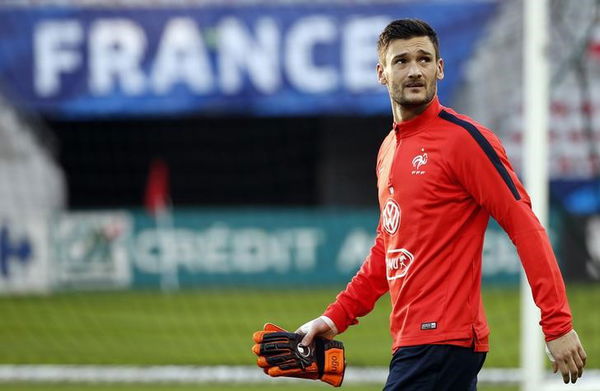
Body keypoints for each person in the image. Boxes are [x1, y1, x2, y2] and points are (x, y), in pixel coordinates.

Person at [296, 18, 587, 390]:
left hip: (443, 341)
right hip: (415, 342)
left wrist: (557, 325)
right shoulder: (388, 150)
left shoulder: (464, 140)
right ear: (381, 73)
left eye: (424, 59)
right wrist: (334, 318)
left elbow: (525, 225)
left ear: (440, 68)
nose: (415, 70)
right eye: (401, 61)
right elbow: (388, 250)